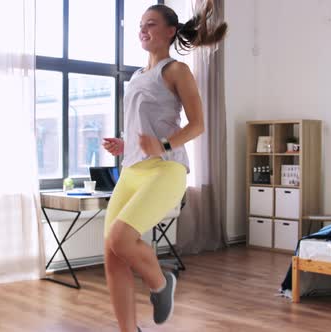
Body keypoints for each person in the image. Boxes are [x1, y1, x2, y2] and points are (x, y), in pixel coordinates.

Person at [101, 2, 227, 331]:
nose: (143, 29)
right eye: (141, 24)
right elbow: (145, 128)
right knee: (112, 254)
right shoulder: (136, 76)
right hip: (131, 170)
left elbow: (198, 125)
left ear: (170, 32)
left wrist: (165, 144)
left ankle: (161, 282)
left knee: (121, 238)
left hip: (165, 169)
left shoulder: (176, 70)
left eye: (151, 24)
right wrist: (125, 144)